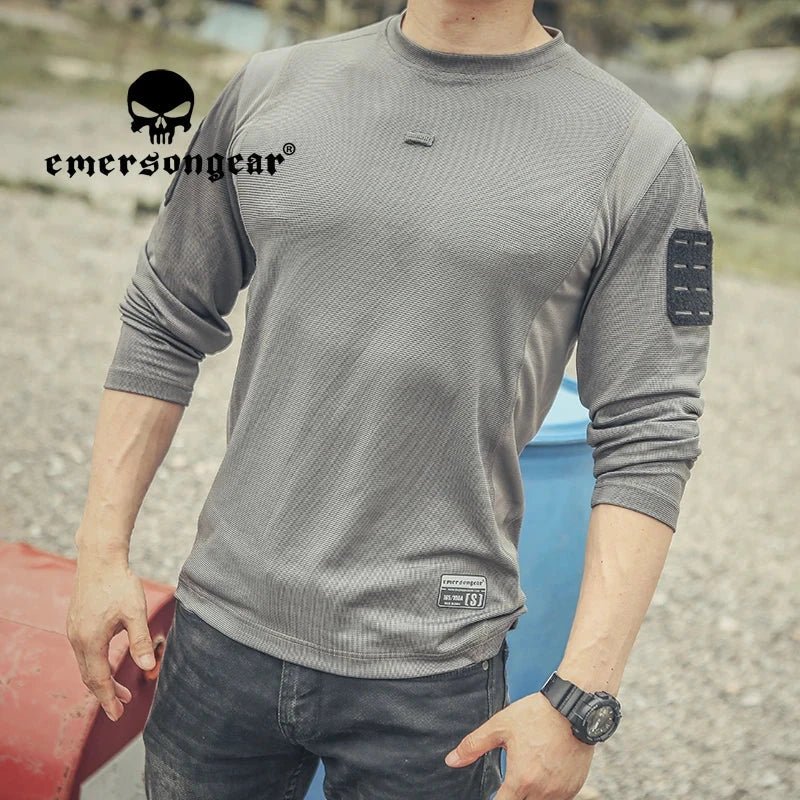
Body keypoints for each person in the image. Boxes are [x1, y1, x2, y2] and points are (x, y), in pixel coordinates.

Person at [67, 1, 713, 798]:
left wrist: (581, 698)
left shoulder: (636, 153)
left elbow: (650, 430)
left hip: (434, 670)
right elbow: (163, 318)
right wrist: (101, 554)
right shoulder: (271, 89)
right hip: (221, 636)